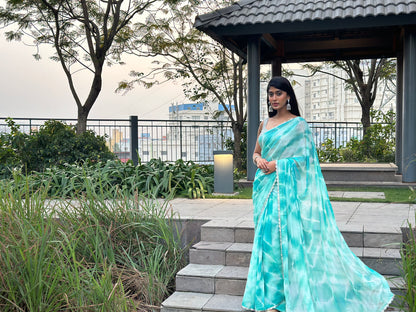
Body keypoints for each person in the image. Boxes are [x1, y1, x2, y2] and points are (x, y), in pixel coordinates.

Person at [241, 76, 394, 312]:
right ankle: (270, 299)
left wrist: (278, 165)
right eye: (270, 94)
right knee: (268, 244)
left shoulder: (298, 124)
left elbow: (306, 160)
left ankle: (287, 298)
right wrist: (259, 160)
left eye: (278, 94)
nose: (273, 98)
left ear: (288, 96)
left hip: (287, 193)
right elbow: (255, 153)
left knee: (288, 245)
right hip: (265, 191)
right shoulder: (264, 124)